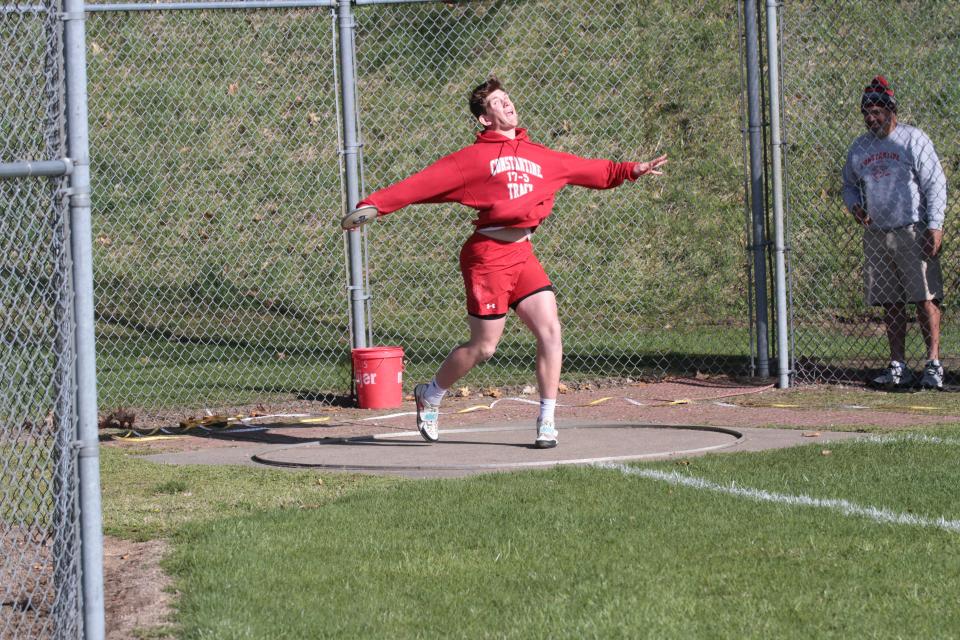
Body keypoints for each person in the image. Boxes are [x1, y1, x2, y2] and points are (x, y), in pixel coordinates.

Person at [341, 76, 667, 447]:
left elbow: (590, 170)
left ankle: (546, 420)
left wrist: (630, 170)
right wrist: (374, 205)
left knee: (550, 331)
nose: (507, 104)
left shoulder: (540, 155)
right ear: (484, 118)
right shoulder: (472, 160)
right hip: (487, 257)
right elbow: (419, 184)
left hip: (522, 254)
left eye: (507, 98)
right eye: (497, 102)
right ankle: (430, 393)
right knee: (484, 347)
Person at [841, 75, 947, 390]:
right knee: (891, 302)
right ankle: (898, 365)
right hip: (877, 233)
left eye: (877, 111)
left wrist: (934, 226)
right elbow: (848, 185)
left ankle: (933, 365)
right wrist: (855, 206)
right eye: (867, 113)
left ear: (891, 111)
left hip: (913, 230)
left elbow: (935, 184)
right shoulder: (860, 148)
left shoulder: (914, 140)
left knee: (925, 298)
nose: (872, 118)